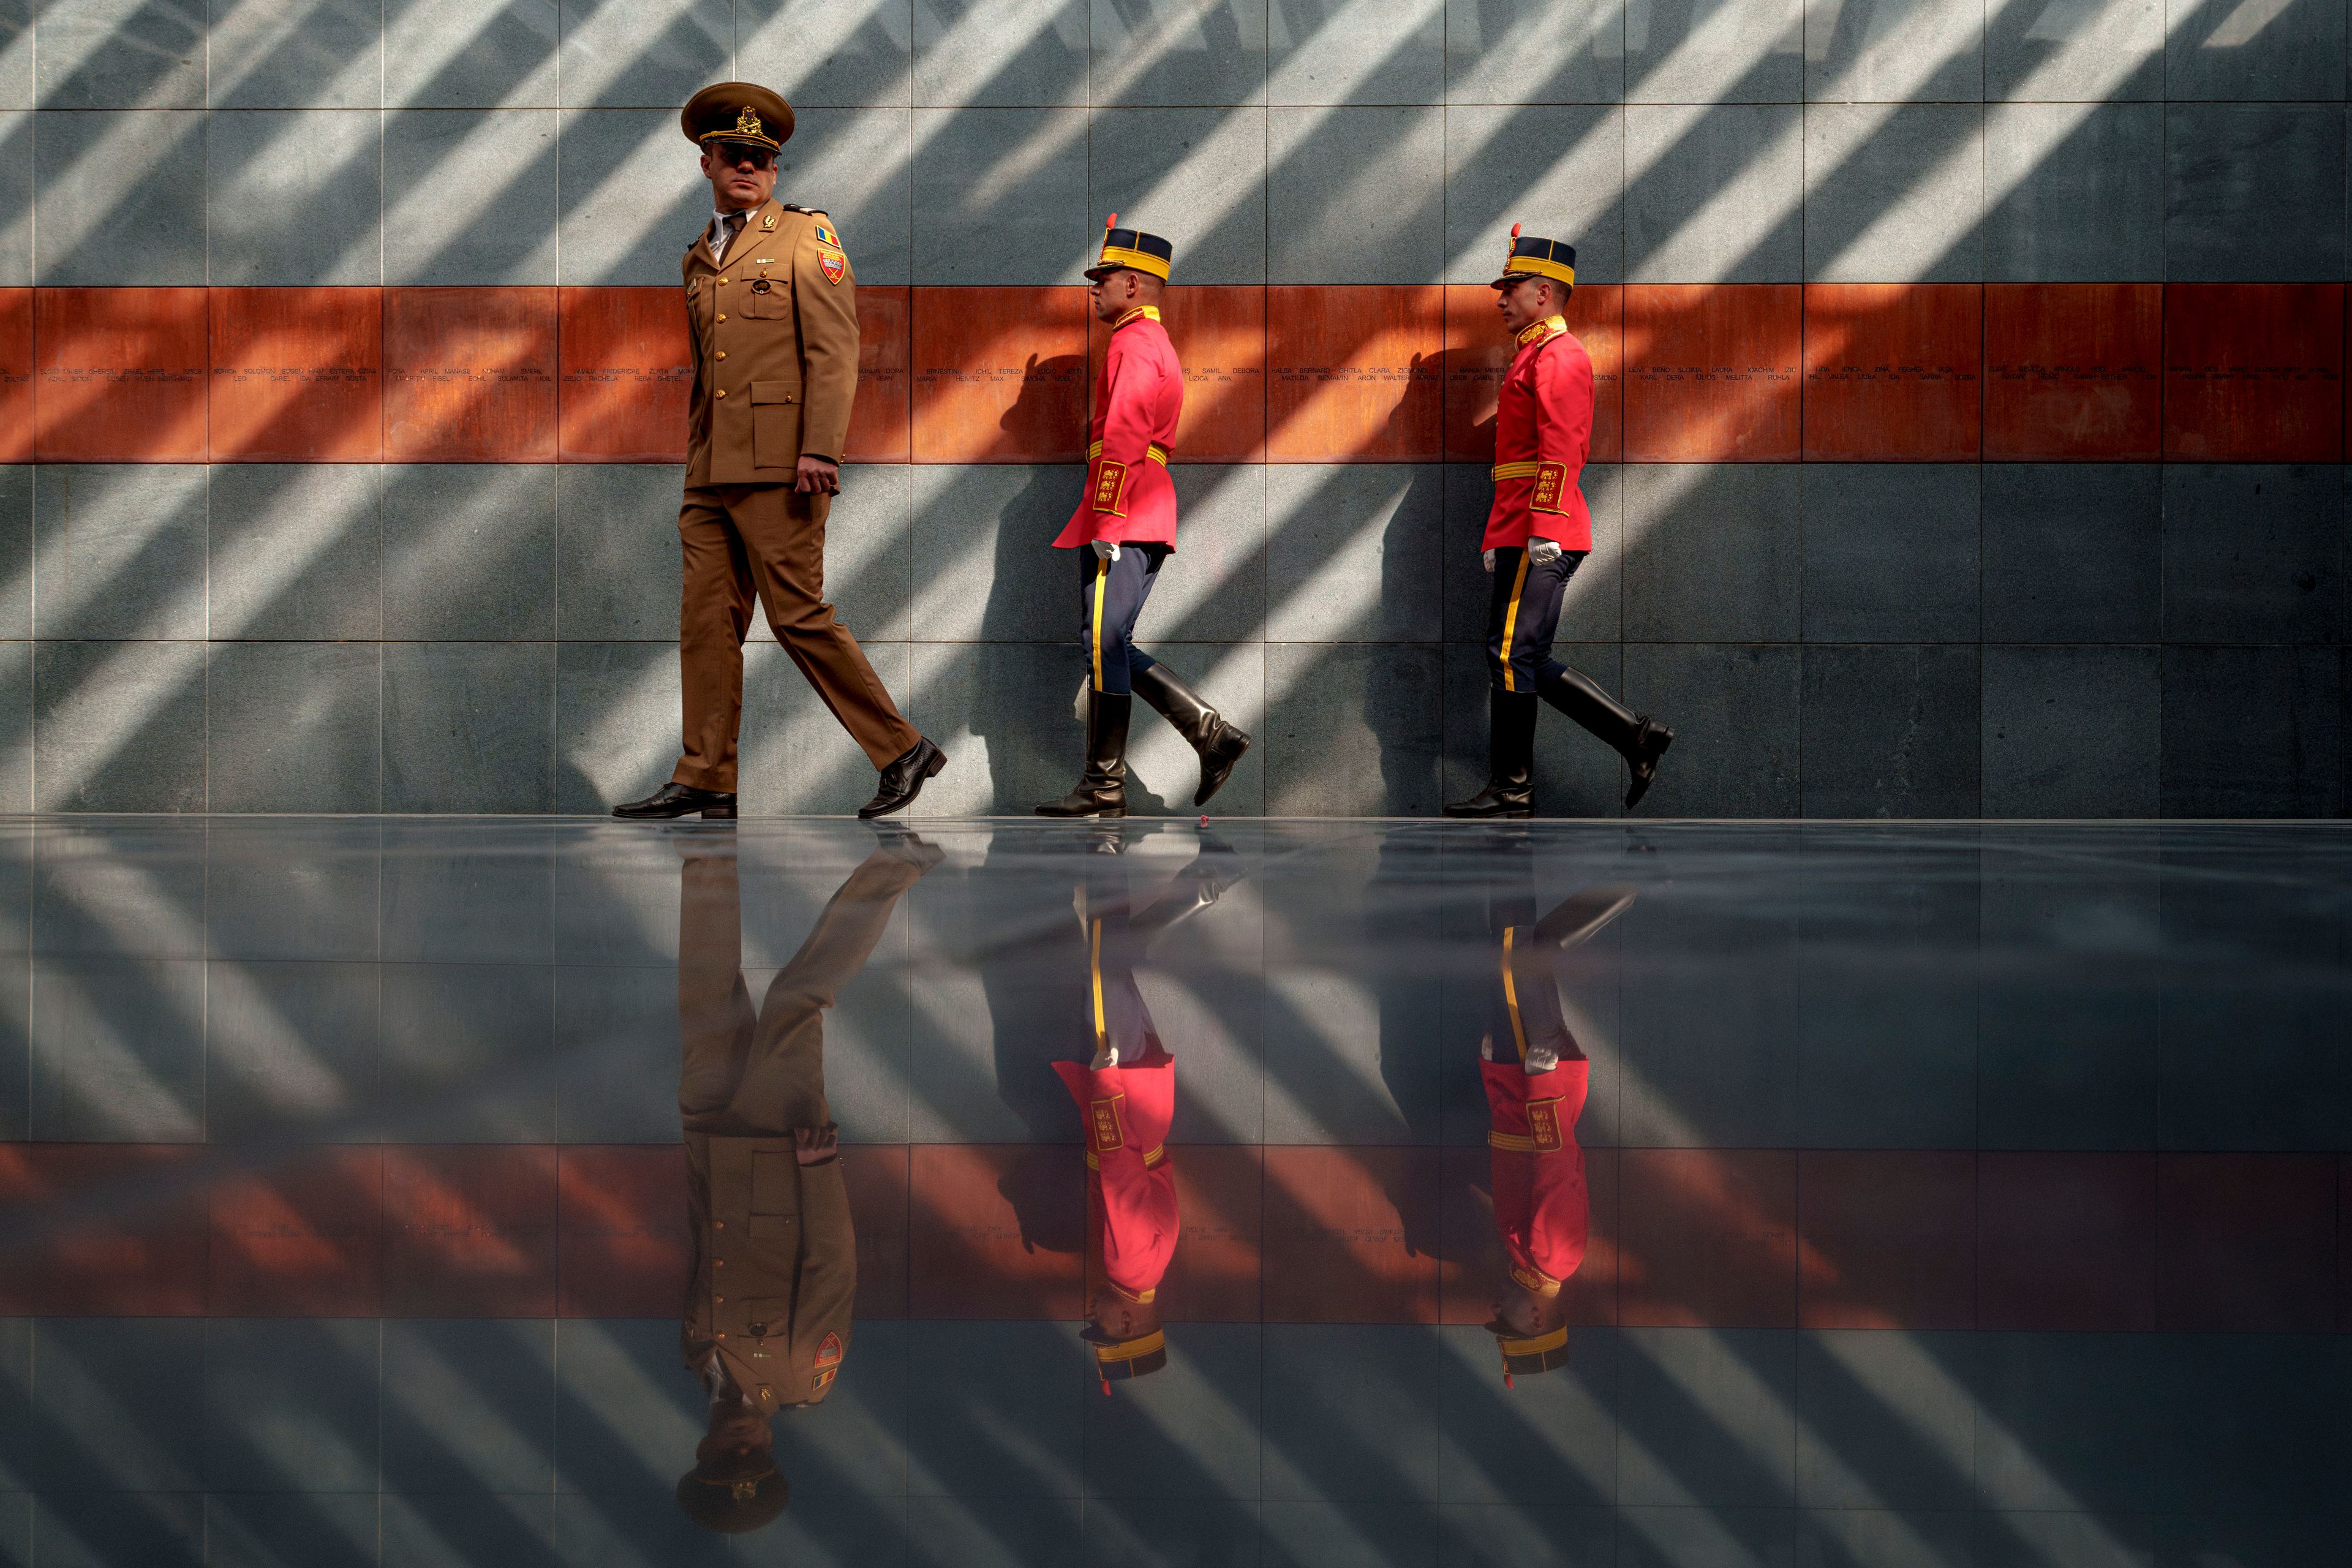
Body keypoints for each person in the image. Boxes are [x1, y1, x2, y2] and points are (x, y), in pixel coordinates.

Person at [617, 81, 944, 823]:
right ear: (706, 161)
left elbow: (836, 352)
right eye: (735, 155)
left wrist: (820, 449)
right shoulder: (699, 257)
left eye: (764, 159)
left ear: (776, 171)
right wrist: (697, 454)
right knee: (705, 624)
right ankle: (706, 774)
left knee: (797, 615)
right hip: (710, 471)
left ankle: (901, 748)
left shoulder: (807, 238)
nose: (750, 168)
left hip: (783, 463)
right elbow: (711, 371)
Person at [673, 826, 941, 1531]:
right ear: (767, 1449)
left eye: (723, 1459)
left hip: (710, 1139)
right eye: (751, 1459)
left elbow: (704, 1240)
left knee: (706, 992)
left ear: (703, 1449)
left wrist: (697, 1155)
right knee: (798, 998)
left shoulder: (697, 1355)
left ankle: (707, 853)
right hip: (783, 1150)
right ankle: (900, 864)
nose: (739, 1447)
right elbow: (833, 1267)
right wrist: (820, 1169)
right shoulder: (806, 1373)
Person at [1445, 227, 1674, 820]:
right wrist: (1500, 535)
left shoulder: (1558, 355)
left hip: (1541, 528)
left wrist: (1541, 526)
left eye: (1510, 287)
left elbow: (1562, 447)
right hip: (1520, 526)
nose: (1499, 298)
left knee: (1509, 653)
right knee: (1521, 655)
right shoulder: (1533, 353)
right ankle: (1635, 735)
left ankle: (1515, 788)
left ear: (1543, 292)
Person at [1037, 216, 1251, 818]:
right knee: (1106, 641)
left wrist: (1106, 520)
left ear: (1133, 284)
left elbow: (1125, 436)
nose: (1094, 288)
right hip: (1141, 503)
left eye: (1103, 278)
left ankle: (1111, 782)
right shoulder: (1149, 343)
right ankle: (1206, 735)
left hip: (1125, 506)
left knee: (1102, 641)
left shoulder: (1133, 344)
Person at [1052, 831, 1242, 1389]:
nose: (1093, 1318)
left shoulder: (1147, 1271)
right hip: (1127, 1101)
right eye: (1104, 1328)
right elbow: (1118, 1171)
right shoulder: (1129, 1265)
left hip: (1145, 1106)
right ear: (1131, 1322)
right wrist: (1105, 1083)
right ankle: (1110, 851)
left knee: (1113, 964)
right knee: (1105, 964)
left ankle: (1206, 884)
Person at [1477, 872, 1634, 1387]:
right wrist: (1541, 1083)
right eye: (1509, 1320)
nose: (1497, 1307)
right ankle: (1631, 881)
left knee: (1516, 950)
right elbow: (1555, 1159)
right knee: (1522, 956)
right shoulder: (1555, 1255)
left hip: (1518, 1081)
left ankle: (1508, 841)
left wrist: (1495, 1075)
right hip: (1541, 1080)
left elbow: (1509, 1153)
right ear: (1538, 1320)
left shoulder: (1527, 1258)